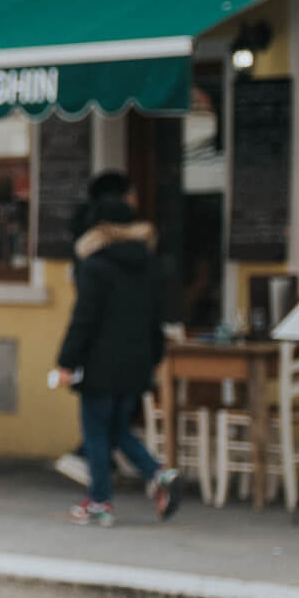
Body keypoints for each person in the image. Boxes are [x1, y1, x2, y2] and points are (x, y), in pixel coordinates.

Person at [54, 195, 181, 526]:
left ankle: (99, 501)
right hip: (137, 363)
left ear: (100, 229)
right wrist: (155, 357)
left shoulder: (94, 266)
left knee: (96, 431)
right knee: (116, 429)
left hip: (100, 363)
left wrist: (66, 362)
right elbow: (156, 318)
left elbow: (84, 318)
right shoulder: (149, 264)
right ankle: (159, 474)